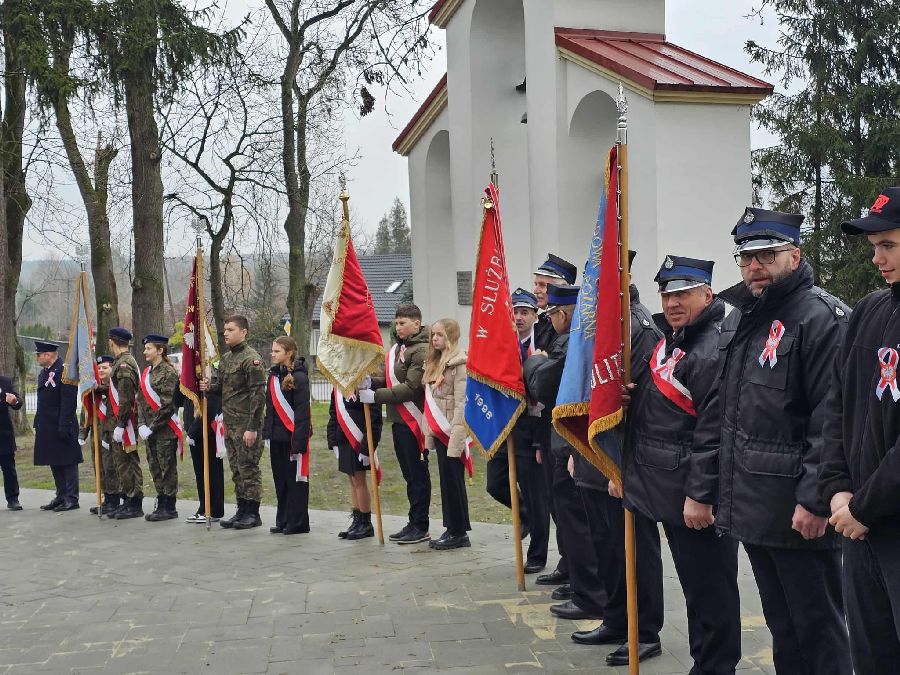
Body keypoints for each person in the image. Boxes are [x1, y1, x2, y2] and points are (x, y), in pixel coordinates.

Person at [717, 207, 851, 675]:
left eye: (767, 255)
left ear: (795, 255)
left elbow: (830, 419)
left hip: (799, 511)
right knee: (783, 627)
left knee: (820, 632)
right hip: (755, 504)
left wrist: (815, 499)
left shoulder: (821, 317)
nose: (755, 266)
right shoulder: (744, 318)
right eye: (746, 257)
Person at [622, 256, 739, 670]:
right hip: (672, 487)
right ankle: (704, 662)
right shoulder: (678, 338)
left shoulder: (709, 347)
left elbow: (713, 431)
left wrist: (701, 496)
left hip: (695, 495)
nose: (672, 302)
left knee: (711, 590)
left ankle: (715, 666)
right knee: (696, 589)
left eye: (683, 293)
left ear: (707, 294)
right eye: (666, 294)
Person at [572, 251, 667, 669]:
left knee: (635, 549)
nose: (596, 286)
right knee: (608, 548)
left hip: (626, 460)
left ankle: (644, 631)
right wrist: (580, 451)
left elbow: (645, 404)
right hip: (596, 456)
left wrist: (623, 467)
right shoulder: (597, 323)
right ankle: (615, 619)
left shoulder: (638, 327)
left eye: (605, 277)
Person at [820, 187, 900, 672]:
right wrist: (837, 489)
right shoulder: (869, 310)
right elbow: (837, 405)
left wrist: (864, 506)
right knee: (870, 656)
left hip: (882, 520)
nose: (876, 259)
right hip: (858, 526)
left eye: (887, 245)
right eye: (873, 247)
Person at [525, 284, 606, 621]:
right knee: (571, 520)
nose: (551, 320)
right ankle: (580, 583)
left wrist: (535, 362)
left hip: (572, 445)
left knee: (576, 522)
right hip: (564, 443)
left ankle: (589, 594)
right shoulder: (569, 340)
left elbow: (542, 385)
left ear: (562, 314)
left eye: (552, 315)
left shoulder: (569, 342)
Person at [485, 288, 551, 573]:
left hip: (532, 429)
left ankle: (537, 555)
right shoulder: (503, 345)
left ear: (535, 315)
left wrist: (540, 442)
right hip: (505, 427)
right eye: (515, 312)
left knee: (537, 496)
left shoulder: (543, 343)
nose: (520, 317)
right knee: (495, 483)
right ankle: (523, 513)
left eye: (525, 312)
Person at [360, 304, 431, 545]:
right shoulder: (401, 348)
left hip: (414, 421)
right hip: (400, 420)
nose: (398, 327)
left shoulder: (420, 350)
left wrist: (376, 396)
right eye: (397, 322)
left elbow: (411, 388)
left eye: (403, 323)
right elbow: (392, 380)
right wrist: (372, 382)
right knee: (409, 475)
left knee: (417, 475)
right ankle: (413, 521)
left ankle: (420, 525)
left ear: (416, 324)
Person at [531, 254, 578, 589]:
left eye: (543, 285)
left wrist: (539, 364)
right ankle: (567, 561)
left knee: (570, 506)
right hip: (546, 426)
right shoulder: (542, 323)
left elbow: (548, 379)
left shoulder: (567, 327)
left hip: (566, 427)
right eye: (536, 284)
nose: (537, 290)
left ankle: (578, 570)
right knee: (556, 502)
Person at [200, 315, 266, 529]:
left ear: (243, 332)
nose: (226, 333)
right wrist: (209, 387)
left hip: (246, 425)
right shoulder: (227, 358)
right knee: (237, 469)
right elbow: (222, 388)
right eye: (225, 330)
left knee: (248, 469)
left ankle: (253, 512)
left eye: (231, 329)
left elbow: (258, 396)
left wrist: (252, 428)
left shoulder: (252, 359)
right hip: (230, 424)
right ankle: (241, 509)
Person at [422, 318, 471, 550]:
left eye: (440, 334)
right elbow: (431, 402)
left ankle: (459, 532)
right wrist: (429, 436)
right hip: (439, 431)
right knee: (446, 482)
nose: (434, 339)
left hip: (452, 432)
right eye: (433, 334)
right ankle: (451, 527)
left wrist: (456, 439)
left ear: (450, 336)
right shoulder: (435, 362)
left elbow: (461, 403)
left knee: (453, 482)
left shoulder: (459, 364)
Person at [263, 336, 311, 535]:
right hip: (276, 437)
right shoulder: (273, 376)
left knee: (295, 481)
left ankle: (297, 522)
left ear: (289, 353)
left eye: (277, 351)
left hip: (292, 437)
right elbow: (270, 408)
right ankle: (283, 519)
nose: (272, 354)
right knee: (280, 481)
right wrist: (268, 432)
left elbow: (302, 412)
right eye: (272, 351)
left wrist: (299, 442)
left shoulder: (299, 377)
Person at [327, 384, 382, 541]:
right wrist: (333, 441)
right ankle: (357, 520)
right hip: (344, 439)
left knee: (359, 481)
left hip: (358, 440)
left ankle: (365, 523)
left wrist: (367, 448)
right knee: (352, 480)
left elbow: (374, 419)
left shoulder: (366, 383)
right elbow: (333, 414)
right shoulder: (338, 387)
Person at [99, 327, 144, 520]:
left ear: (112, 342)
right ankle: (127, 499)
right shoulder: (120, 362)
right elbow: (115, 391)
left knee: (128, 463)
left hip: (124, 424)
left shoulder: (124, 365)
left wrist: (121, 424)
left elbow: (126, 398)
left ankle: (134, 503)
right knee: (121, 464)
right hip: (119, 422)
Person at [137, 334, 182, 522]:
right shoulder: (147, 372)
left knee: (167, 469)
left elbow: (168, 405)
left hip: (165, 430)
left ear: (160, 350)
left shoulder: (168, 372)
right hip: (149, 431)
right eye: (145, 348)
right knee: (154, 467)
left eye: (149, 348)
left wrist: (152, 427)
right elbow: (140, 402)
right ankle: (161, 501)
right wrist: (141, 425)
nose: (145, 352)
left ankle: (169, 507)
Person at [33, 341, 82, 511]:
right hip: (48, 425)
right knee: (54, 460)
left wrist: (64, 425)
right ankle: (61, 496)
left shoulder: (65, 371)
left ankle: (72, 498)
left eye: (39, 355)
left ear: (47, 355)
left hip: (62, 424)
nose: (37, 358)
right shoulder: (45, 372)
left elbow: (68, 401)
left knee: (68, 461)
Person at [80, 355, 122, 516]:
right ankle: (106, 498)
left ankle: (114, 499)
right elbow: (86, 413)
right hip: (96, 434)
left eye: (105, 367)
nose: (101, 370)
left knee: (111, 466)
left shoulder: (114, 388)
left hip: (110, 433)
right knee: (99, 466)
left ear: (112, 368)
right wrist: (83, 433)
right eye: (98, 368)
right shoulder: (93, 391)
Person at [183, 392, 226, 523]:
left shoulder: (208, 380)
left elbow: (211, 405)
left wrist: (193, 431)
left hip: (207, 430)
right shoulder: (190, 383)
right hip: (192, 428)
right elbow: (177, 401)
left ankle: (213, 510)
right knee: (200, 473)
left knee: (212, 472)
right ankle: (203, 508)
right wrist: (180, 383)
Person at [0, 372, 23, 510]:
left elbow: (18, 402)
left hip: (3, 434)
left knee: (9, 469)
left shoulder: (5, 382)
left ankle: (13, 499)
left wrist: (14, 401)